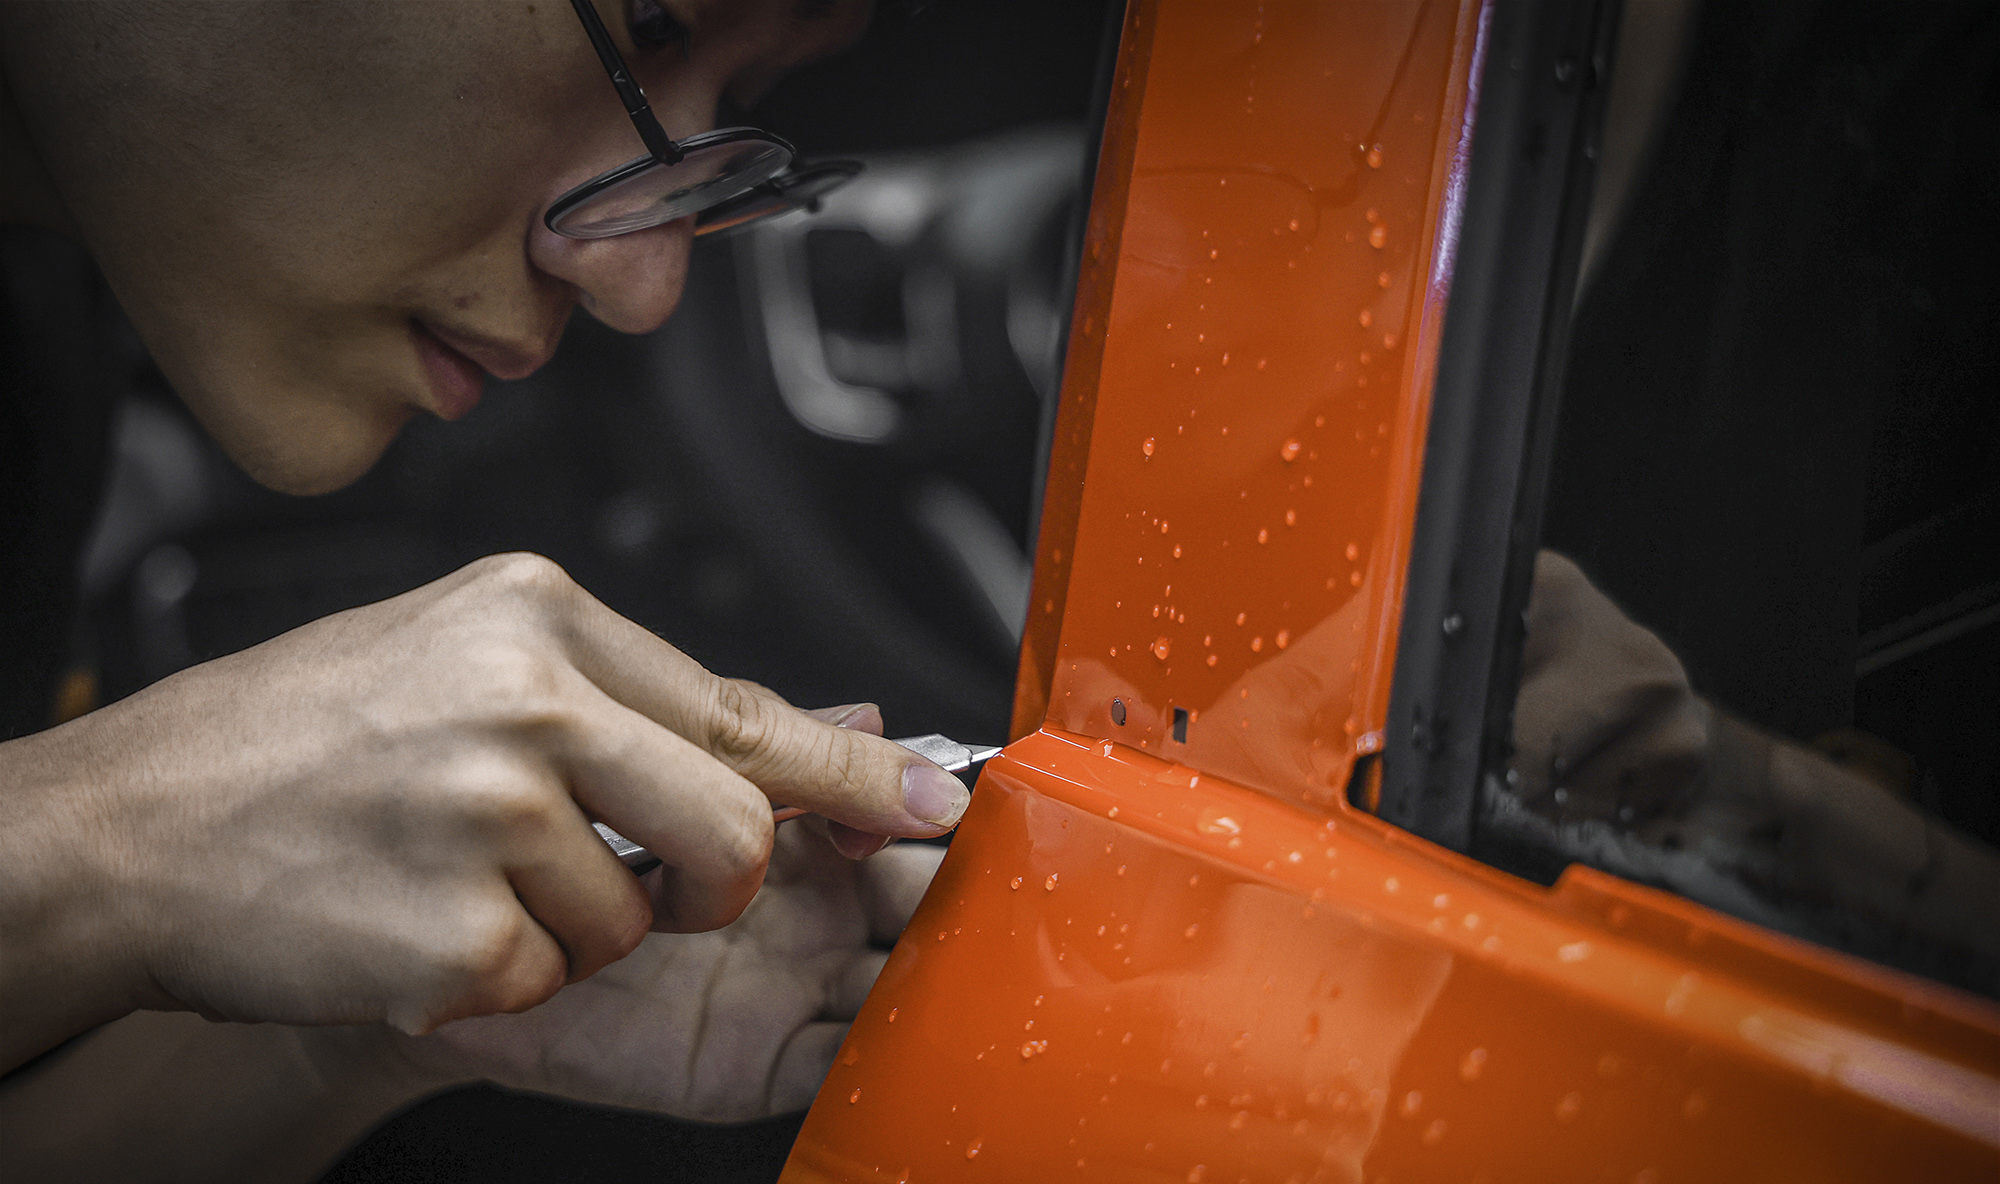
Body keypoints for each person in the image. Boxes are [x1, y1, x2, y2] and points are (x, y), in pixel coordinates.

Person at [0, 1, 969, 1177]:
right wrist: (117, 839)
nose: (642, 280)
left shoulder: (44, 369)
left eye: (737, 100)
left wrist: (334, 1035)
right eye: (644, 26)